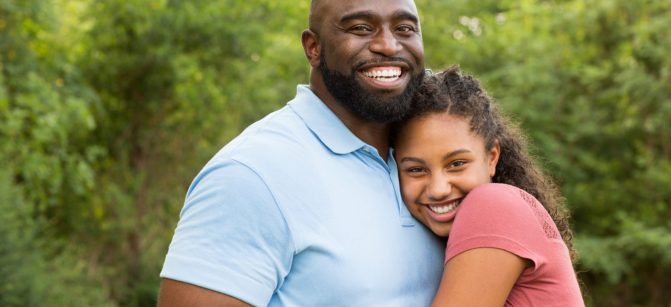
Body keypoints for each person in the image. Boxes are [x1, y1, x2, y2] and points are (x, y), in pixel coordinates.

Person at [157, 0, 445, 306]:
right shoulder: (250, 173)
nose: (388, 45)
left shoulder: (438, 164)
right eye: (361, 28)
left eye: (405, 28)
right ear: (313, 47)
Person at [393, 66, 585, 306]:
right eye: (416, 170)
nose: (439, 189)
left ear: (492, 157)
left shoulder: (493, 205)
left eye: (457, 164)